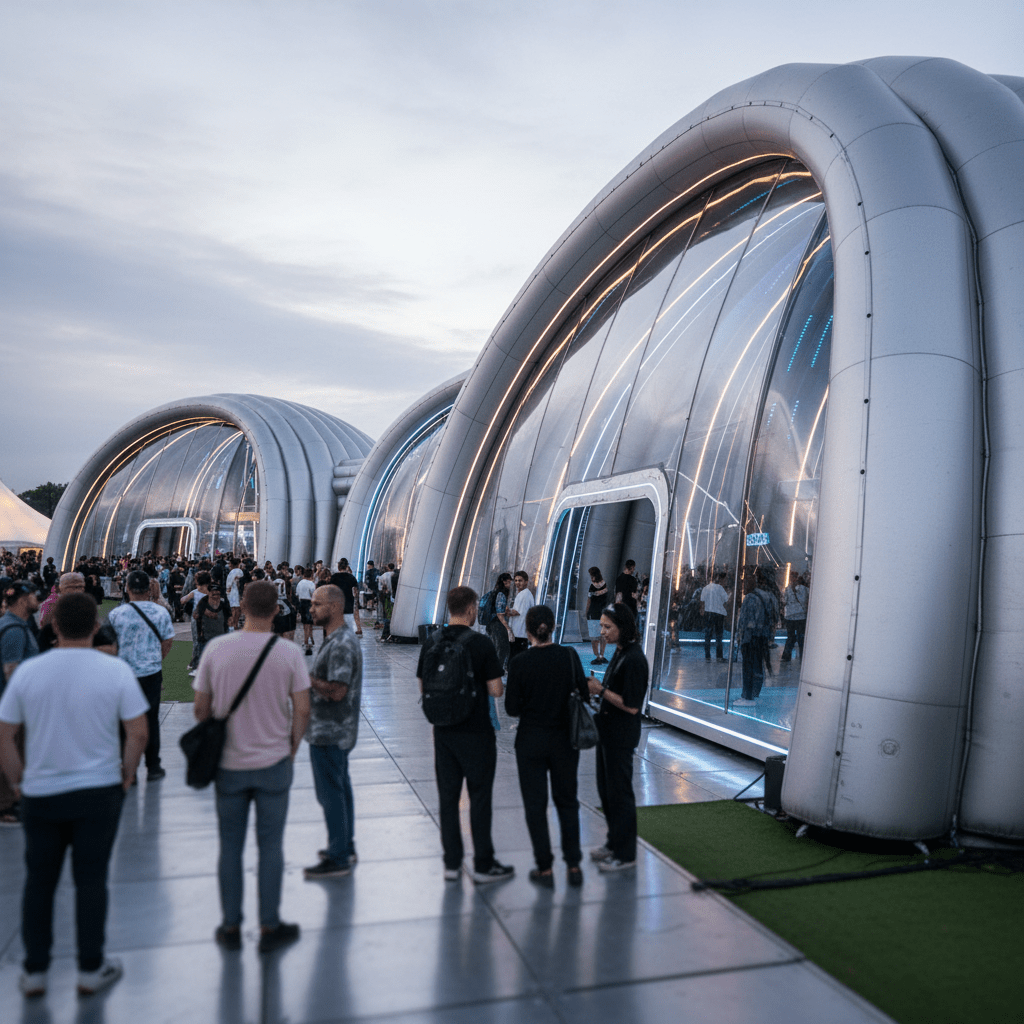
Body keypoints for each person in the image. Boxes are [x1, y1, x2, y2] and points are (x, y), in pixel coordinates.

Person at [0, 591, 149, 998]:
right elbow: (138, 732)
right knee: (91, 881)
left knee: (40, 883)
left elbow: (4, 736)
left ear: (53, 627)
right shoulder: (114, 670)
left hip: (42, 793)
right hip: (98, 792)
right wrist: (126, 774)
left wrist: (18, 782)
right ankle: (89, 966)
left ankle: (35, 970)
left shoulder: (29, 672)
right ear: (96, 626)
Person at [192, 581, 311, 953]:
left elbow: (200, 710)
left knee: (230, 846)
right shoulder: (289, 653)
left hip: (229, 763)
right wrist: (290, 749)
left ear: (240, 606)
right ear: (278, 609)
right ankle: (268, 925)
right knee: (270, 846)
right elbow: (303, 710)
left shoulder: (217, 649)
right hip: (274, 761)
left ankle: (230, 925)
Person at [418, 586, 513, 883]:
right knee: (479, 796)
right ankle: (484, 864)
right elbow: (496, 690)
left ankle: (451, 864)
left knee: (448, 798)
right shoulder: (481, 643)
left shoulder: (432, 640)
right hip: (476, 731)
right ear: (472, 609)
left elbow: (423, 686)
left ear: (449, 608)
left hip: (443, 731)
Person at [504, 604, 588, 887]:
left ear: (528, 631)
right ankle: (574, 866)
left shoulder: (519, 664)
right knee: (567, 801)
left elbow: (512, 708)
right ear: (552, 627)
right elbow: (584, 695)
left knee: (535, 805)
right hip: (565, 741)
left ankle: (545, 869)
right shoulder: (569, 655)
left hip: (531, 741)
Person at [303, 585, 362, 879]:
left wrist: (307, 679)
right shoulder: (335, 639)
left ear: (336, 607)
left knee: (331, 795)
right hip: (333, 730)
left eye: (317, 604)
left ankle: (338, 856)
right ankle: (344, 846)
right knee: (340, 789)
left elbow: (338, 691)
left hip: (330, 731)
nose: (311, 609)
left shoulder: (340, 644)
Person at [586, 603, 647, 872]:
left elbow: (632, 705)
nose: (602, 632)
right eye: (601, 626)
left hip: (621, 735)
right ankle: (613, 842)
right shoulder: (620, 653)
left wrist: (601, 691)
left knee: (620, 793)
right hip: (608, 731)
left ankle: (625, 853)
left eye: (607, 627)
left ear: (623, 628)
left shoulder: (634, 659)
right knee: (606, 790)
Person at [108, 570, 174, 782]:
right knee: (151, 719)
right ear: (149, 589)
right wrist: (155, 659)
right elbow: (167, 642)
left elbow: (111, 644)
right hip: (151, 673)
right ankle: (153, 766)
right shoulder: (161, 613)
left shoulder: (116, 614)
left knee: (124, 720)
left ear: (127, 589)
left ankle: (129, 769)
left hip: (123, 674)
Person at [0, 580, 42, 827]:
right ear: (24, 599)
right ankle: (6, 806)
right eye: (34, 595)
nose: (37, 599)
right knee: (9, 752)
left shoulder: (17, 625)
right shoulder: (13, 629)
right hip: (12, 706)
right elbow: (11, 671)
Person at [733, 571, 778, 707]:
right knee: (758, 666)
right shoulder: (768, 596)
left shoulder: (750, 598)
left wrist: (738, 637)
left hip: (750, 637)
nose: (743, 586)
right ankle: (755, 693)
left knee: (748, 667)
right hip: (762, 637)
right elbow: (772, 618)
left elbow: (744, 621)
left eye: (744, 583)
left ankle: (747, 696)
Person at [482, 572, 512, 672]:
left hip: (491, 624)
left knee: (497, 648)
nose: (510, 585)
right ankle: (495, 672)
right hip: (497, 625)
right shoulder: (501, 594)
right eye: (508, 582)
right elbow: (499, 613)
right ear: (504, 582)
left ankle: (493, 670)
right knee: (502, 648)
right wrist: (507, 627)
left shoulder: (495, 592)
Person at [700, 572, 729, 661]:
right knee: (719, 636)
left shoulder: (706, 588)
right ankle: (719, 656)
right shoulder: (720, 588)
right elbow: (726, 599)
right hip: (719, 614)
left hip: (708, 613)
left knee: (708, 635)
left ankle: (707, 656)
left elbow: (702, 600)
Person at [506, 570, 534, 660]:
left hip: (520, 634)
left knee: (516, 660)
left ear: (526, 582)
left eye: (520, 580)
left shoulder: (525, 595)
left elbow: (517, 612)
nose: (517, 583)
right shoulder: (521, 594)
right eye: (516, 580)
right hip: (518, 633)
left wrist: (504, 611)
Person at [330, 559, 362, 636]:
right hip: (349, 605)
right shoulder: (351, 577)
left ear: (338, 567)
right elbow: (356, 590)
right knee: (348, 629)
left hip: (336, 606)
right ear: (347, 567)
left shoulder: (334, 577)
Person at [781, 573, 809, 662]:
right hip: (801, 616)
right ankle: (803, 656)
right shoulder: (805, 589)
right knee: (801, 637)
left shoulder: (788, 589)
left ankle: (786, 655)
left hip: (790, 616)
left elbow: (784, 601)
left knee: (791, 637)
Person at [585, 567, 609, 664]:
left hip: (593, 613)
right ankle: (602, 655)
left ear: (594, 576)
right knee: (603, 636)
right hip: (603, 613)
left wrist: (586, 612)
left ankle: (597, 656)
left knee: (594, 637)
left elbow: (589, 601)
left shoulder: (592, 587)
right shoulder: (605, 585)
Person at [295, 567, 316, 652]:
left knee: (304, 623)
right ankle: (308, 640)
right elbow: (313, 594)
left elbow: (297, 593)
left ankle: (307, 639)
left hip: (301, 603)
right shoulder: (311, 584)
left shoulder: (300, 583)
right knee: (310, 623)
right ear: (311, 575)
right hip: (309, 603)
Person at [225, 557, 244, 629]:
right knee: (237, 609)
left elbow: (229, 584)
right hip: (236, 592)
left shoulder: (232, 572)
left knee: (233, 609)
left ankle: (233, 624)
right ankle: (235, 624)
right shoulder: (240, 571)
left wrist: (228, 591)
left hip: (232, 592)